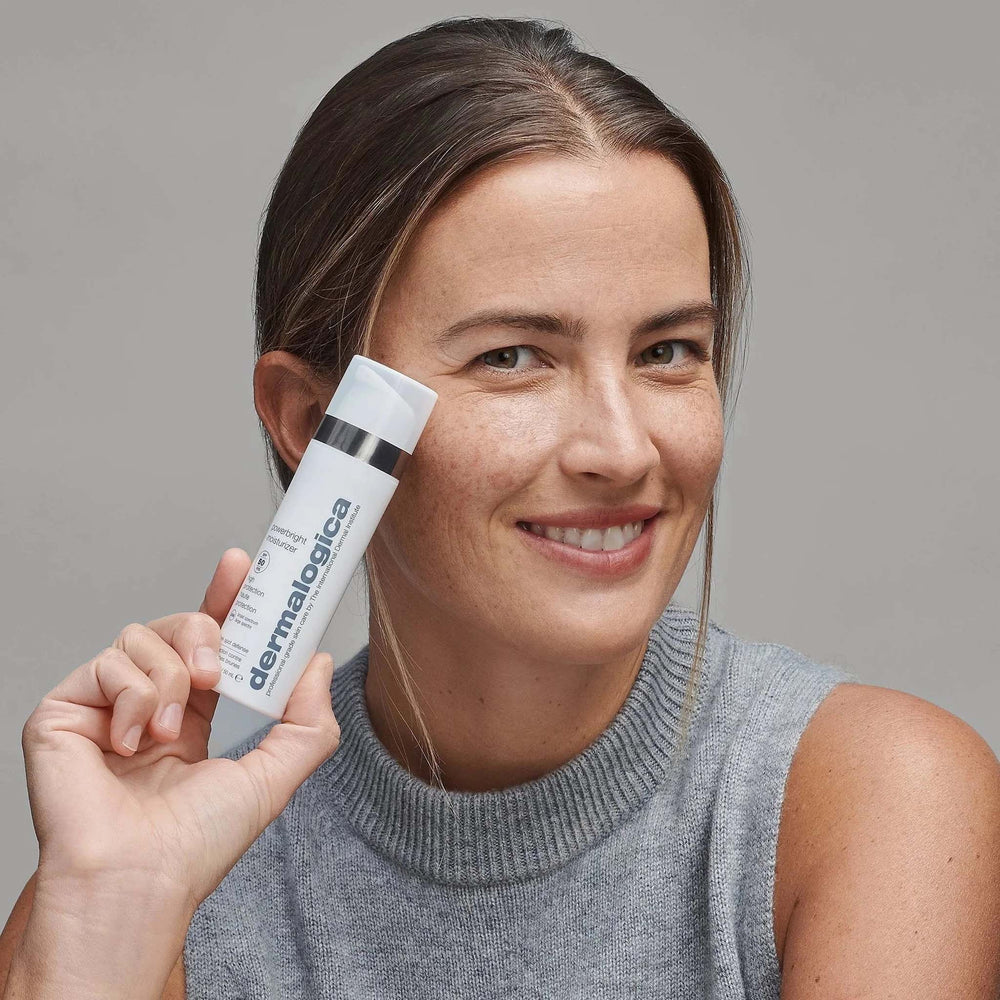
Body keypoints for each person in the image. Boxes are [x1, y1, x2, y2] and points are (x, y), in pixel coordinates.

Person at [3, 15, 999, 1000]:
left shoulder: (872, 801)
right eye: (512, 357)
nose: (620, 448)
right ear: (313, 422)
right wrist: (102, 933)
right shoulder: (160, 881)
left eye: (666, 352)